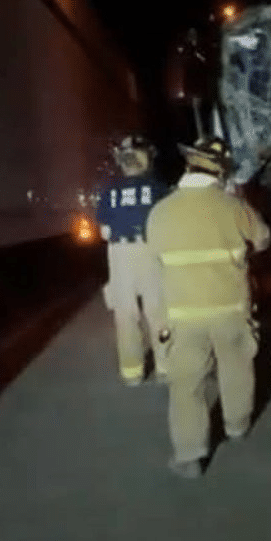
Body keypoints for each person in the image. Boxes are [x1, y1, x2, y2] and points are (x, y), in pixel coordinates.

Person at [146, 136, 271, 478]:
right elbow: (263, 239)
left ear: (189, 165)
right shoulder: (234, 207)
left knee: (186, 384)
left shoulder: (160, 212)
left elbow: (155, 257)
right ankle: (237, 426)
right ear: (222, 171)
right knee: (236, 368)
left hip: (184, 317)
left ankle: (190, 456)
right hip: (232, 311)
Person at [96, 135, 170, 387]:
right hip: (151, 250)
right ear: (145, 157)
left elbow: (104, 231)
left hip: (120, 253)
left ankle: (132, 372)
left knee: (125, 313)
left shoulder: (109, 190)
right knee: (158, 311)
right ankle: (166, 366)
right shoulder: (159, 188)